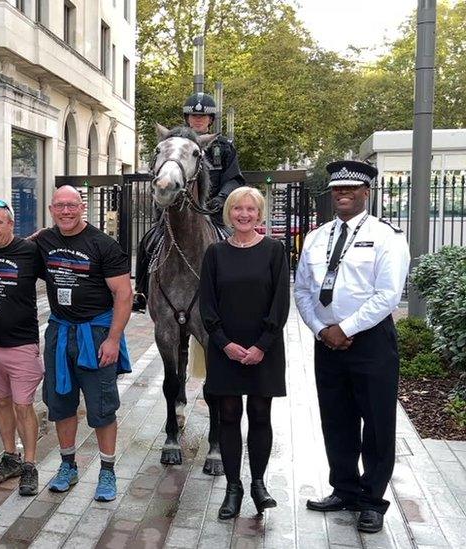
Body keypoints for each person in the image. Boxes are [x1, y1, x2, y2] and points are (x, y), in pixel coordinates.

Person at [295, 160, 410, 534]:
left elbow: (388, 294)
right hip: (326, 341)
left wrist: (345, 328)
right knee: (336, 418)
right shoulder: (315, 237)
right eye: (337, 189)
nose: (342, 194)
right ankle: (343, 488)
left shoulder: (387, 236)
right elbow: (302, 290)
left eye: (350, 189)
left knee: (376, 422)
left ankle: (372, 500)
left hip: (370, 341)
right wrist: (320, 329)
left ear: (366, 192)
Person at [36, 187, 133, 503]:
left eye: (71, 206)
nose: (66, 211)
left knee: (102, 406)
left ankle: (107, 471)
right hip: (60, 332)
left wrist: (114, 339)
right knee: (60, 402)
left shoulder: (103, 245)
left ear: (82, 208)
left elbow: (124, 295)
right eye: (60, 206)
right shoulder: (45, 241)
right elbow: (13, 248)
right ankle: (68, 466)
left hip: (96, 335)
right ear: (52, 209)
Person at [198, 187, 290, 519]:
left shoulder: (274, 251)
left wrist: (261, 346)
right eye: (238, 209)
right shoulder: (215, 254)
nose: (244, 214)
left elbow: (280, 301)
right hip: (227, 349)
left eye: (251, 209)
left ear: (259, 213)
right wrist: (224, 343)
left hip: (264, 349)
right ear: (229, 213)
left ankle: (259, 484)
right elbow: (207, 303)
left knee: (261, 416)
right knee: (229, 415)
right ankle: (233, 488)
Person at [134, 91, 246, 312]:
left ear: (210, 120)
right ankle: (141, 292)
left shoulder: (223, 147)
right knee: (147, 242)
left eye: (203, 116)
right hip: (174, 212)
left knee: (233, 247)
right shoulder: (173, 145)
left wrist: (221, 199)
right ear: (187, 118)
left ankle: (236, 293)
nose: (198, 119)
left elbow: (234, 179)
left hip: (211, 213)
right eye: (193, 116)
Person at [0, 200, 44, 496]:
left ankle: (30, 464)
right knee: (1, 403)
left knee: (23, 405)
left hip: (21, 343)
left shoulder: (30, 251)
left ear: (11, 224)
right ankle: (9, 457)